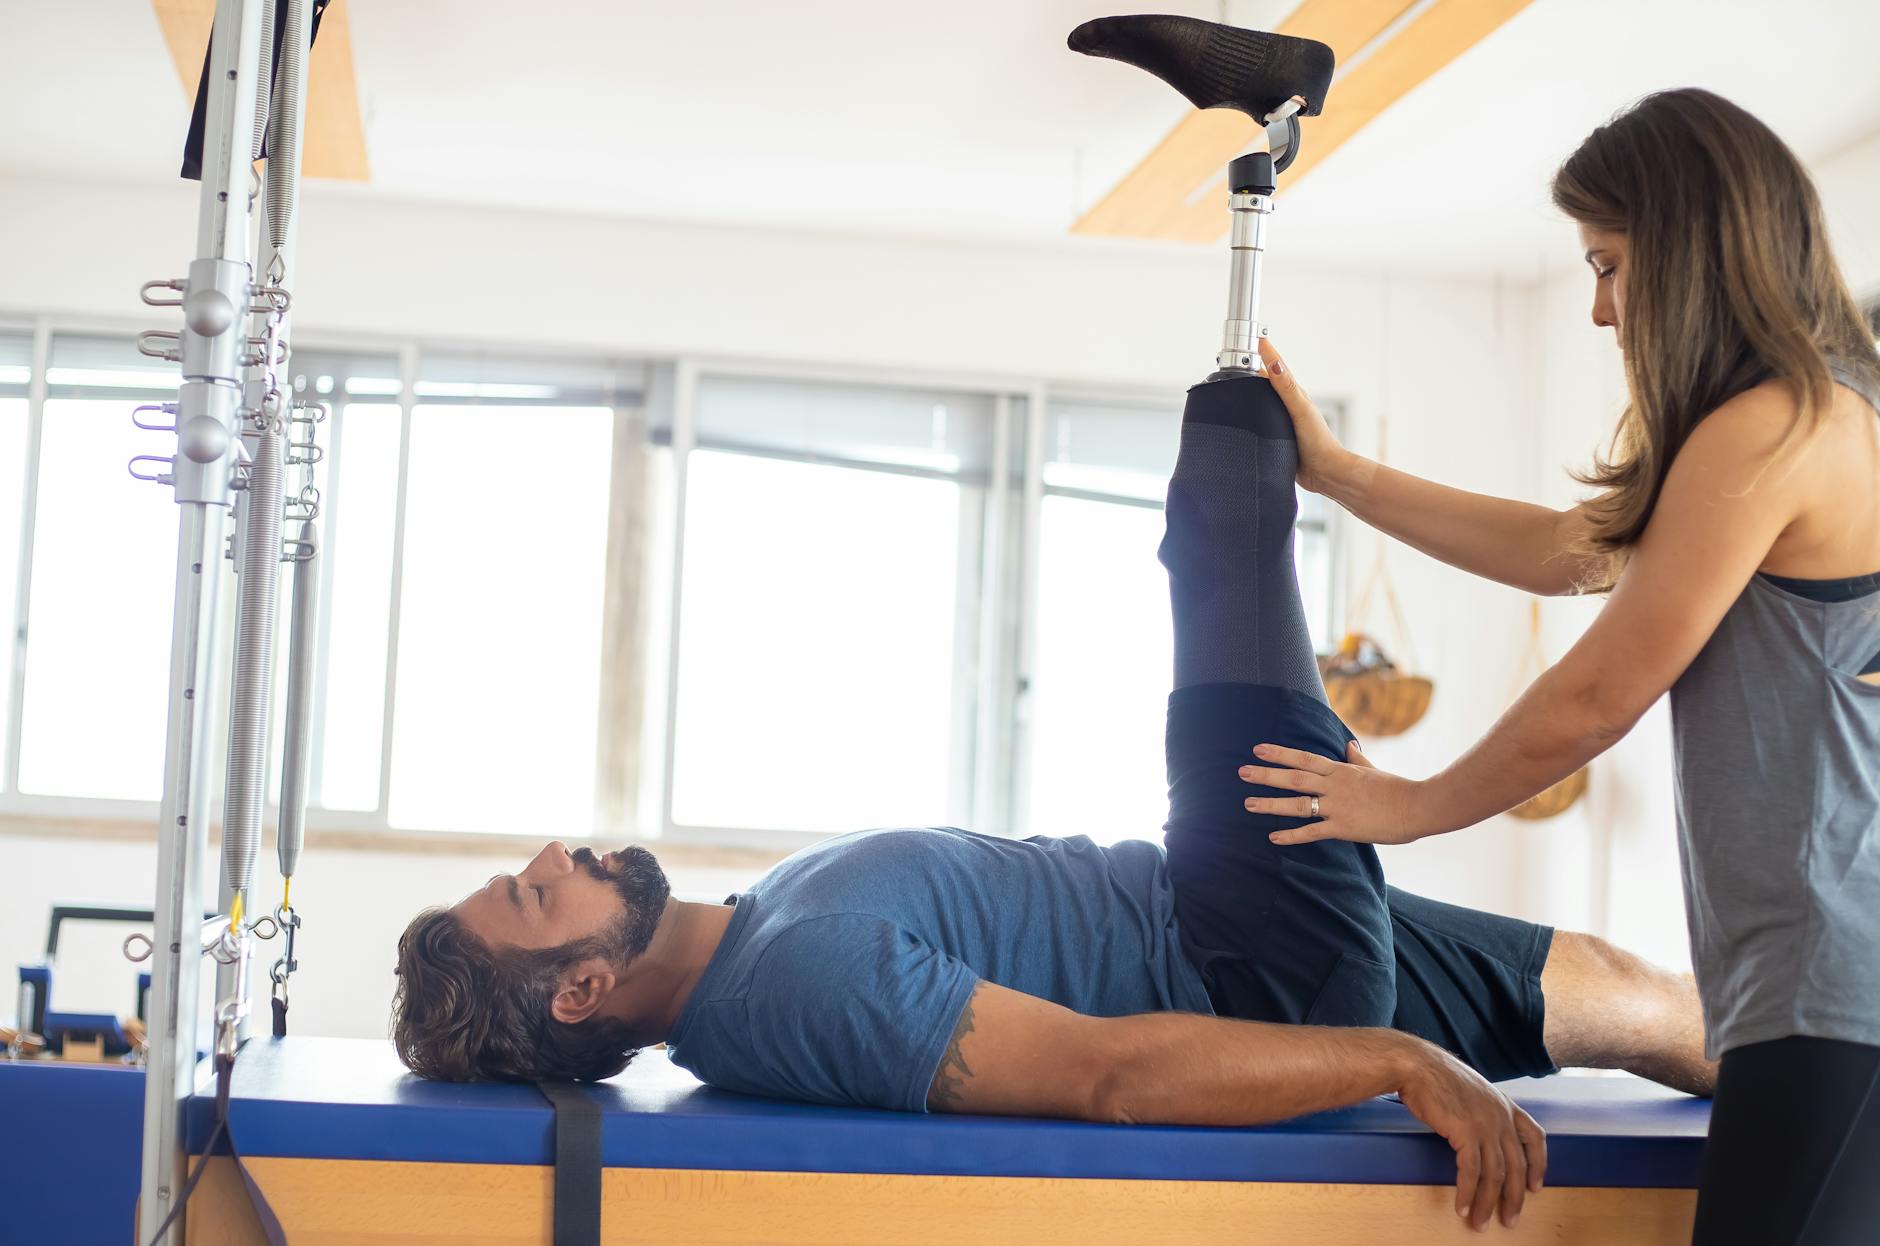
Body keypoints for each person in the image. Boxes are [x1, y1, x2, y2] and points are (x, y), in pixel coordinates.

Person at [392, 341, 1716, 1237]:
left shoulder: (758, 936)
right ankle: (1260, 153)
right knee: (1223, 505)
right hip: (1246, 950)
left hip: (1235, 917)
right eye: (531, 893)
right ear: (580, 988)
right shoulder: (798, 984)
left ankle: (1819, 1088)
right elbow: (1104, 1074)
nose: (553, 852)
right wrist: (1396, 1060)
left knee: (1640, 1001)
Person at [1239, 89, 1880, 1246]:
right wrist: (1336, 474)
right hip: (1805, 996)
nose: (1597, 307)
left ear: (1686, 252)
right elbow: (1562, 550)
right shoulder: (1808, 414)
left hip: (1837, 999)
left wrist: (1410, 805)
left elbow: (1596, 695)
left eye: (1607, 264)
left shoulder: (1779, 427)